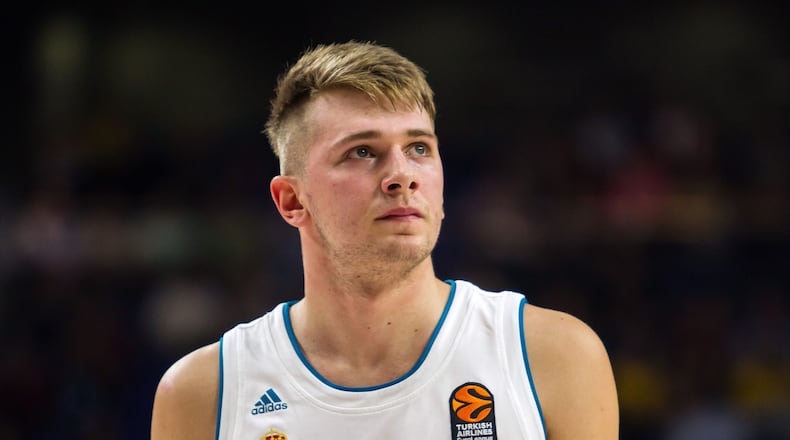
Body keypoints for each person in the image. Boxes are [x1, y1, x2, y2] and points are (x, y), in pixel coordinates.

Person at [150, 40, 619, 439]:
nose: (402, 175)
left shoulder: (554, 357)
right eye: (361, 151)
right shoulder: (202, 393)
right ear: (292, 200)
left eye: (419, 148)